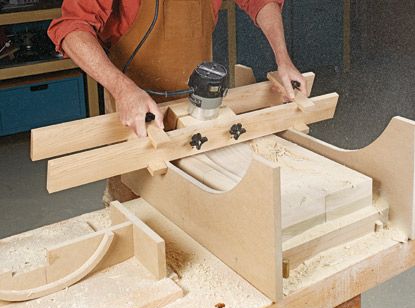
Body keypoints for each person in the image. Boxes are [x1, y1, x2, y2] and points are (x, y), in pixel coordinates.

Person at [48, 0, 307, 202]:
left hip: (199, 108)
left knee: (202, 202)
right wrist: (123, 89)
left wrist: (283, 59)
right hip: (136, 109)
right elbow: (72, 27)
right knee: (136, 202)